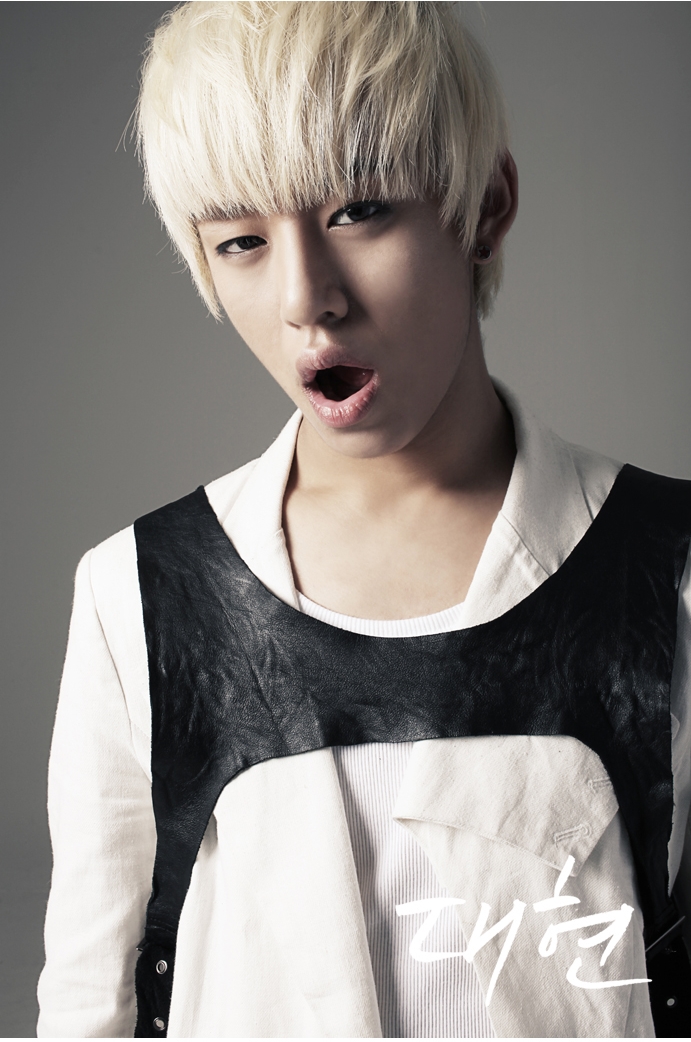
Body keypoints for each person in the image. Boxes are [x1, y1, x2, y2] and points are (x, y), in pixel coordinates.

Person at [37, 2, 690, 1038]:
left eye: (358, 212)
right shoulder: (139, 594)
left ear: (484, 208)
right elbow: (90, 1005)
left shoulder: (666, 570)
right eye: (242, 241)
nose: (308, 298)